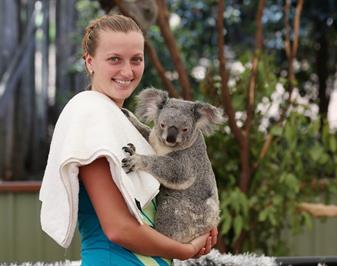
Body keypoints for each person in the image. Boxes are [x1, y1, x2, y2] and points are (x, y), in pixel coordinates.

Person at [42, 14, 217, 266]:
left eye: (136, 59)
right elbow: (119, 229)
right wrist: (186, 250)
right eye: (114, 59)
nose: (127, 71)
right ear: (90, 62)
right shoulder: (90, 115)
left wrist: (196, 227)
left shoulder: (122, 121)